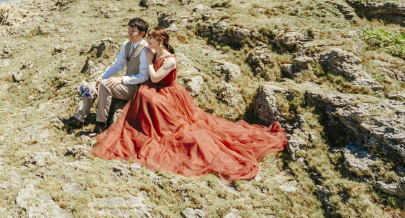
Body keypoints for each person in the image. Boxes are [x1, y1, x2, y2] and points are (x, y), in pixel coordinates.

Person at [90, 27, 287, 181]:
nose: (148, 40)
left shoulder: (169, 60)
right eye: (148, 37)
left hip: (167, 92)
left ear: (160, 41)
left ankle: (160, 131)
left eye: (151, 38)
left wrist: (149, 61)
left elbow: (156, 78)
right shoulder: (155, 52)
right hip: (156, 88)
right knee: (144, 95)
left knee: (155, 103)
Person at [60, 17, 154, 133]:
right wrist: (103, 76)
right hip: (127, 83)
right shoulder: (127, 45)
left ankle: (101, 125)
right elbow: (118, 64)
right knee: (93, 85)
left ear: (142, 33)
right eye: (129, 29)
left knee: (105, 85)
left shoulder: (146, 50)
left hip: (137, 87)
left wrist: (122, 79)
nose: (129, 33)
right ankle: (78, 119)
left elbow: (143, 77)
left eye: (133, 31)